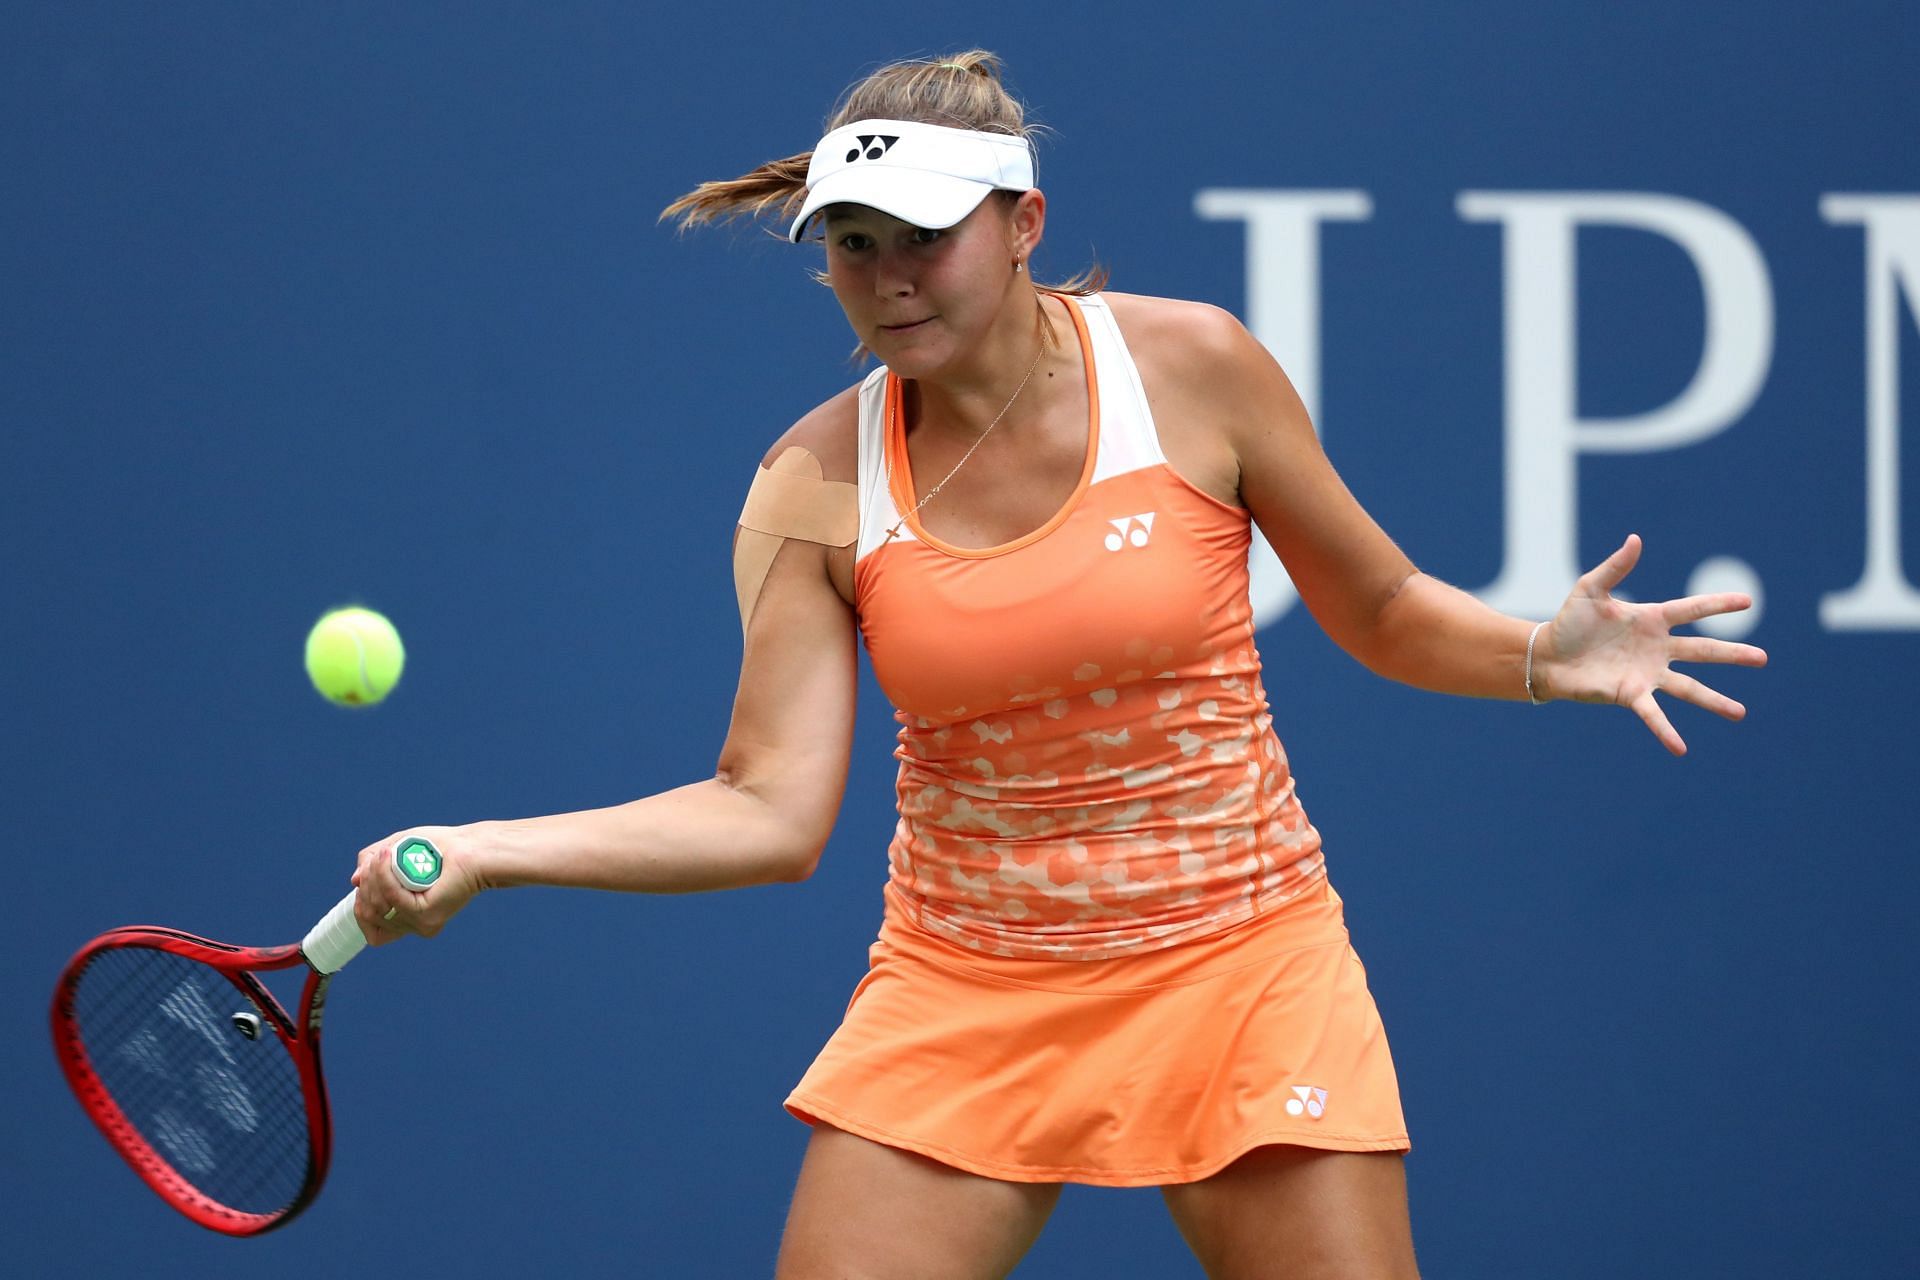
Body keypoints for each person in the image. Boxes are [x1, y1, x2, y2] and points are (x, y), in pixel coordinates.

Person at [349, 51, 1767, 1280]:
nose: (885, 275)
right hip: (966, 989)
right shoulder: (811, 481)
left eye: (922, 234)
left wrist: (1536, 651)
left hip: (1244, 963)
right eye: (848, 241)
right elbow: (768, 808)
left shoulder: (1196, 370)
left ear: (1025, 222)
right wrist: (484, 848)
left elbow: (1382, 603)